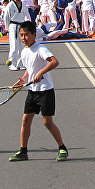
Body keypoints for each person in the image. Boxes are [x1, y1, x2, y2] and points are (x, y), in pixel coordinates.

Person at [8, 21, 68, 162]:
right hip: (32, 91)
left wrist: (41, 72)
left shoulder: (40, 48)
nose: (24, 38)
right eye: (21, 35)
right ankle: (23, 151)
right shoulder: (24, 52)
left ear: (34, 35)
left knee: (47, 122)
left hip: (45, 91)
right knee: (25, 120)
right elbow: (29, 69)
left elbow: (54, 62)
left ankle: (62, 148)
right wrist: (23, 80)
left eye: (26, 35)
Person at [4, 0, 29, 70]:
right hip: (13, 26)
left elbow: (27, 15)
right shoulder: (10, 5)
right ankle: (12, 64)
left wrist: (28, 25)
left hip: (22, 25)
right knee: (14, 45)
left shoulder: (24, 5)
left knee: (22, 45)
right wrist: (7, 28)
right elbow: (6, 17)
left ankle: (21, 63)